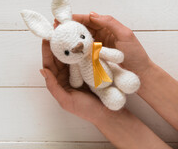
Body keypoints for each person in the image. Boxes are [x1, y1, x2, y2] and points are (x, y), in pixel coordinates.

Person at [39, 12, 178, 149]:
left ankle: (125, 79)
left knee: (125, 79)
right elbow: (76, 79)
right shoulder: (76, 64)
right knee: (112, 97)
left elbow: (116, 56)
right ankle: (114, 93)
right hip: (99, 87)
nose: (78, 47)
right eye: (67, 53)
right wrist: (145, 72)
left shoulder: (96, 49)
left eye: (82, 36)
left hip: (114, 71)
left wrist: (143, 71)